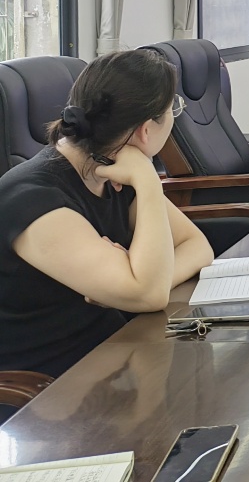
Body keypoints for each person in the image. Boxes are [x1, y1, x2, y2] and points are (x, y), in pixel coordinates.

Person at [0, 50, 214, 378]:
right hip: (50, 386)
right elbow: (149, 295)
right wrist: (148, 182)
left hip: (118, 352)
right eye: (173, 108)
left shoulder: (110, 168)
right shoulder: (35, 200)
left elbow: (197, 246)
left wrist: (142, 281)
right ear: (145, 130)